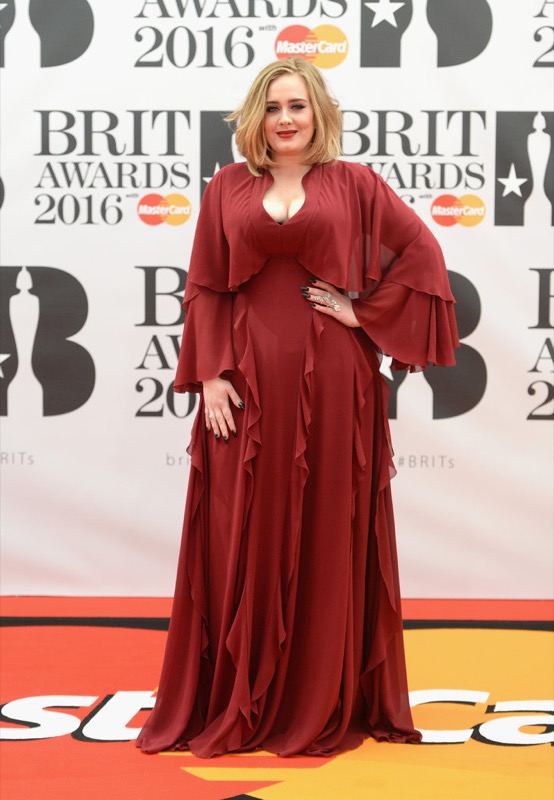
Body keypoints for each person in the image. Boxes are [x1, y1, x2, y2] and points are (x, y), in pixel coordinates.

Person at [137, 57, 459, 758]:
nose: (286, 119)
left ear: (319, 114)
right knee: (237, 528)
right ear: (256, 116)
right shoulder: (227, 185)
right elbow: (206, 285)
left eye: (298, 106)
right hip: (244, 384)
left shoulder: (357, 184)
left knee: (325, 525)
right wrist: (211, 375)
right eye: (274, 106)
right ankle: (237, 696)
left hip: (336, 380)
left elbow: (422, 252)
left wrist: (361, 313)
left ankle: (319, 697)